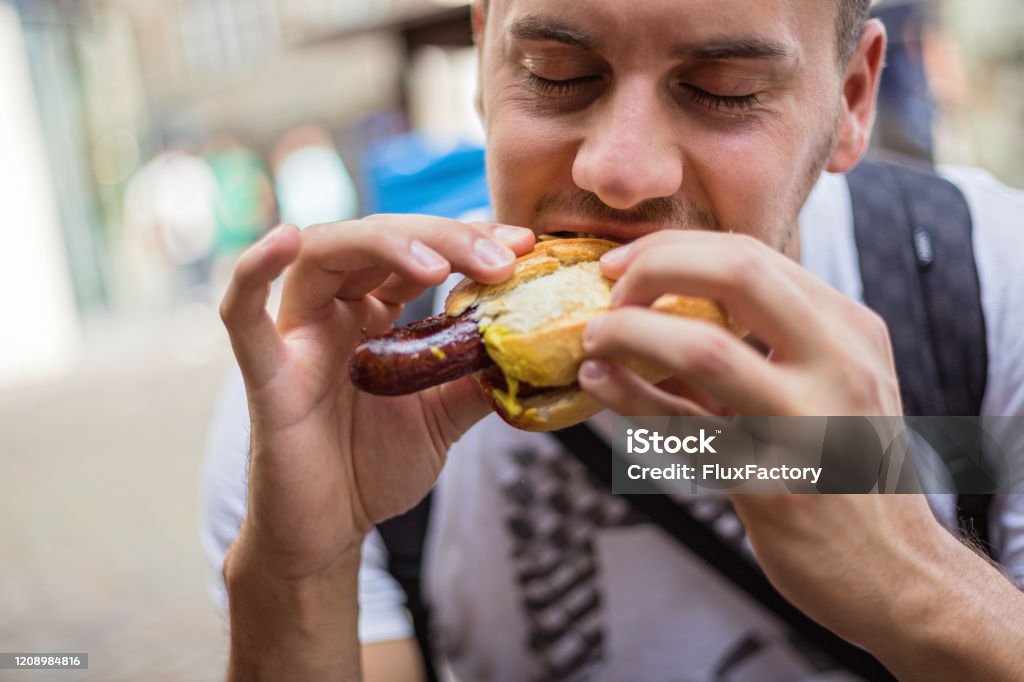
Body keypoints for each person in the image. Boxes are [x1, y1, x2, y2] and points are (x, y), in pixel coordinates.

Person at [201, 1, 1024, 680]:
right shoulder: (326, 374)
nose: (620, 170)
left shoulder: (990, 286)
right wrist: (298, 574)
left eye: (723, 90)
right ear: (486, 60)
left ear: (851, 99)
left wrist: (918, 584)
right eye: (556, 75)